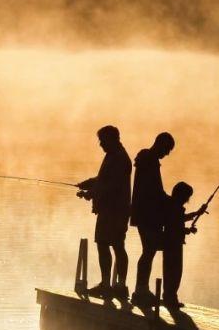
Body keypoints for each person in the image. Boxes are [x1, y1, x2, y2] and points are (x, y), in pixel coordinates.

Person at [77, 125, 131, 299]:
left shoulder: (119, 158)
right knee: (112, 245)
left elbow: (112, 186)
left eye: (102, 140)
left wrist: (91, 193)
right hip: (114, 210)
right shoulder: (114, 156)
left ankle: (111, 285)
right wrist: (88, 183)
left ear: (112, 139)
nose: (100, 144)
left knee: (109, 245)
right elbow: (104, 180)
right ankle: (113, 285)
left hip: (113, 211)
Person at [129, 131, 175, 308]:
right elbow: (154, 191)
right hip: (148, 214)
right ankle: (141, 290)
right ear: (160, 144)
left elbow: (154, 190)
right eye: (167, 149)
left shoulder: (147, 159)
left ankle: (142, 289)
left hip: (143, 213)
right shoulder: (150, 161)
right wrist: (171, 202)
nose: (167, 153)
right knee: (148, 251)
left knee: (148, 251)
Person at [161, 181, 205, 309]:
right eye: (187, 197)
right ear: (182, 196)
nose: (188, 200)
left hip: (171, 243)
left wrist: (196, 214)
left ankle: (169, 297)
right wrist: (188, 230)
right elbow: (176, 226)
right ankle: (171, 298)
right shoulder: (175, 208)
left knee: (170, 271)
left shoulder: (172, 206)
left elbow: (179, 220)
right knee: (174, 272)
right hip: (173, 244)